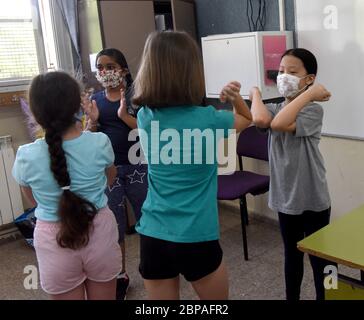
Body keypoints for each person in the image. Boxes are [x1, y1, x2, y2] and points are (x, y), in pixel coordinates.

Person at [132, 30, 252, 300]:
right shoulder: (210, 119)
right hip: (196, 235)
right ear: (192, 72)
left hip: (153, 234)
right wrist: (234, 97)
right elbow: (247, 118)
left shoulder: (145, 117)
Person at [12, 71, 121, 300]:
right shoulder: (100, 142)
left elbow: (30, 195)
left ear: (35, 112)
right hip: (99, 227)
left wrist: (56, 205)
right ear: (76, 106)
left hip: (53, 237)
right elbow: (109, 179)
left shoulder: (26, 155)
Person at [250, 48, 332, 300]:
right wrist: (254, 93)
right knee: (292, 256)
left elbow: (279, 124)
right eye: (281, 71)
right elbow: (262, 120)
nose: (284, 76)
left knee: (322, 259)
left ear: (309, 79)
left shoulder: (313, 110)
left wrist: (309, 96)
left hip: (313, 198)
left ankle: (329, 296)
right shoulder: (276, 107)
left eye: (292, 72)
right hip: (286, 199)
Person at [82, 48, 148, 300]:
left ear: (123, 70)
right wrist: (94, 121)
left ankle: (151, 264)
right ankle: (120, 275)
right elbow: (89, 138)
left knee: (147, 219)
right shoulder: (95, 100)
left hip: (138, 167)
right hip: (108, 171)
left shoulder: (137, 97)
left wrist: (124, 116)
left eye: (110, 66)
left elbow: (149, 131)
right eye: (100, 67)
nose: (105, 72)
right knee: (115, 226)